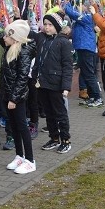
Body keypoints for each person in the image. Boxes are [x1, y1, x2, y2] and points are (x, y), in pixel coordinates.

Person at [0, 18, 37, 173]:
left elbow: (22, 78)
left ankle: (30, 160)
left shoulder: (23, 51)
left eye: (7, 36)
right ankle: (19, 155)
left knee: (22, 126)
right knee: (14, 126)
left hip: (16, 98)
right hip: (8, 95)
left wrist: (14, 99)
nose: (4, 38)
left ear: (15, 38)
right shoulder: (10, 47)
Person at [35, 10, 75, 154]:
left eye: (50, 24)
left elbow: (67, 66)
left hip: (56, 84)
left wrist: (65, 87)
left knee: (60, 113)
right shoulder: (42, 39)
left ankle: (65, 139)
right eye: (45, 24)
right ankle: (54, 137)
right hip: (43, 83)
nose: (47, 27)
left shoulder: (63, 42)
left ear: (57, 26)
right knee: (49, 113)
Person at [63, 0, 101, 107]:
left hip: (87, 48)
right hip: (81, 47)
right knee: (85, 73)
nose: (81, 7)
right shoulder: (84, 16)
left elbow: (71, 12)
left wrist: (67, 1)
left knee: (89, 73)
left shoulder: (88, 17)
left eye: (83, 5)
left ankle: (97, 97)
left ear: (88, 7)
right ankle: (92, 96)